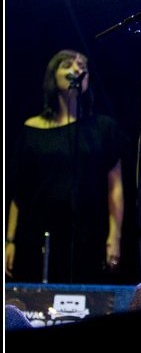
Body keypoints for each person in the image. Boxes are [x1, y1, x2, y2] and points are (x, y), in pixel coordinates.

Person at [5, 49, 126, 284]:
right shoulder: (31, 128)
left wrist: (115, 235)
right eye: (68, 65)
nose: (77, 69)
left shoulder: (103, 128)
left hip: (87, 235)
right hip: (38, 234)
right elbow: (19, 192)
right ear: (53, 76)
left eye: (83, 67)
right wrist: (9, 240)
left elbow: (115, 187)